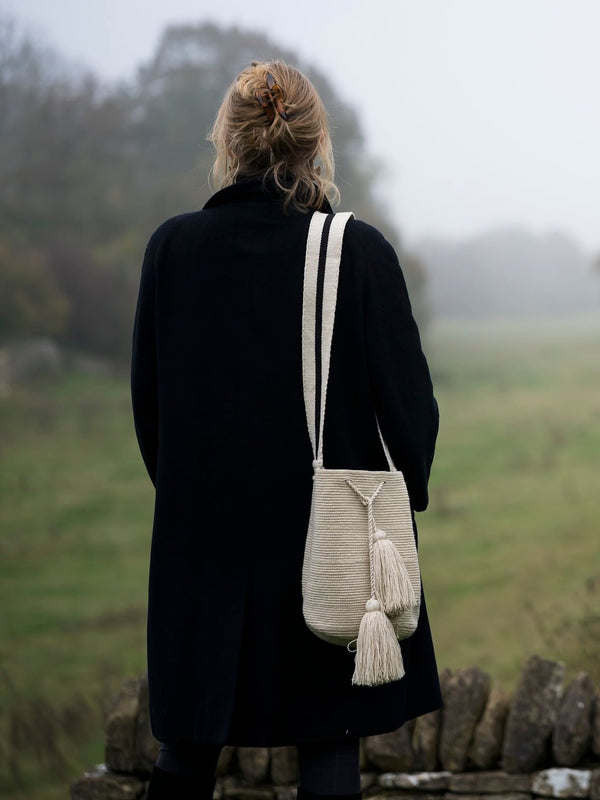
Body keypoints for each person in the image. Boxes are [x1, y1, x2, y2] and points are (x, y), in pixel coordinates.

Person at [131, 60, 441, 800]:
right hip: (325, 540)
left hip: (199, 546)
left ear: (228, 141)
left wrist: (189, 495)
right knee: (328, 749)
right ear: (316, 144)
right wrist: (410, 495)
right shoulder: (355, 252)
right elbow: (409, 406)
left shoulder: (171, 250)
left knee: (186, 755)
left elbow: (153, 411)